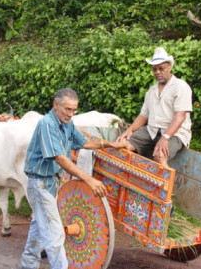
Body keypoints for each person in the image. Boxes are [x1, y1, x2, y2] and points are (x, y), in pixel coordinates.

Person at [20, 88, 128, 269]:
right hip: (39, 183)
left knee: (39, 227)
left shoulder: (67, 124)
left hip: (51, 182)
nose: (70, 114)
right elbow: (60, 158)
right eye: (67, 109)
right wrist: (89, 180)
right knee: (55, 236)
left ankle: (27, 265)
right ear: (56, 105)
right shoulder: (47, 124)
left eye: (74, 110)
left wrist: (111, 144)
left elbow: (83, 142)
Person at [117, 47, 193, 167]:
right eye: (155, 69)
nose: (157, 72)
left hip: (175, 132)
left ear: (170, 67)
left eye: (161, 68)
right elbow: (143, 115)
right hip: (152, 130)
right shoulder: (151, 90)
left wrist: (165, 138)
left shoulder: (180, 86)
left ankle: (165, 185)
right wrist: (129, 130)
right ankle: (131, 177)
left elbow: (180, 116)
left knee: (159, 156)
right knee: (122, 143)